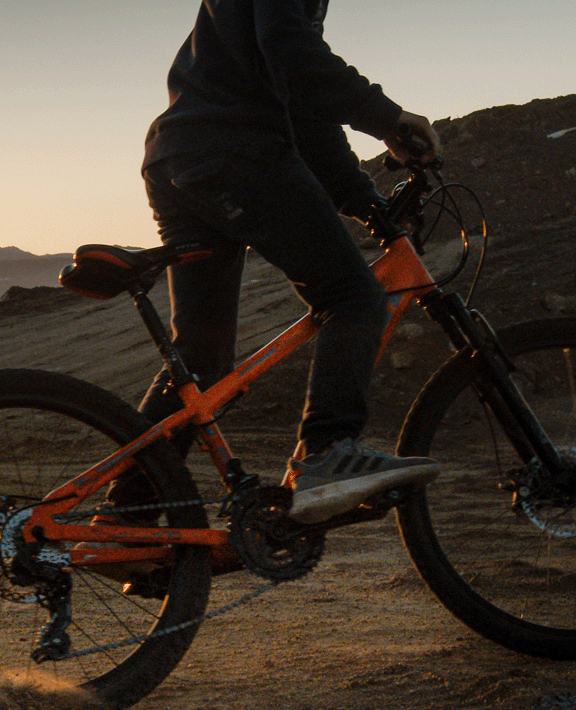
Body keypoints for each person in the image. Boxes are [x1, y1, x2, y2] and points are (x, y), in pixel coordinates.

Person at [103, 0, 443, 528]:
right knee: (352, 299)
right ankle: (326, 455)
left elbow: (303, 109)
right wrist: (387, 119)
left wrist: (369, 207)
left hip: (178, 156)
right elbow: (293, 54)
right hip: (236, 152)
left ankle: (125, 517)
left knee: (202, 363)